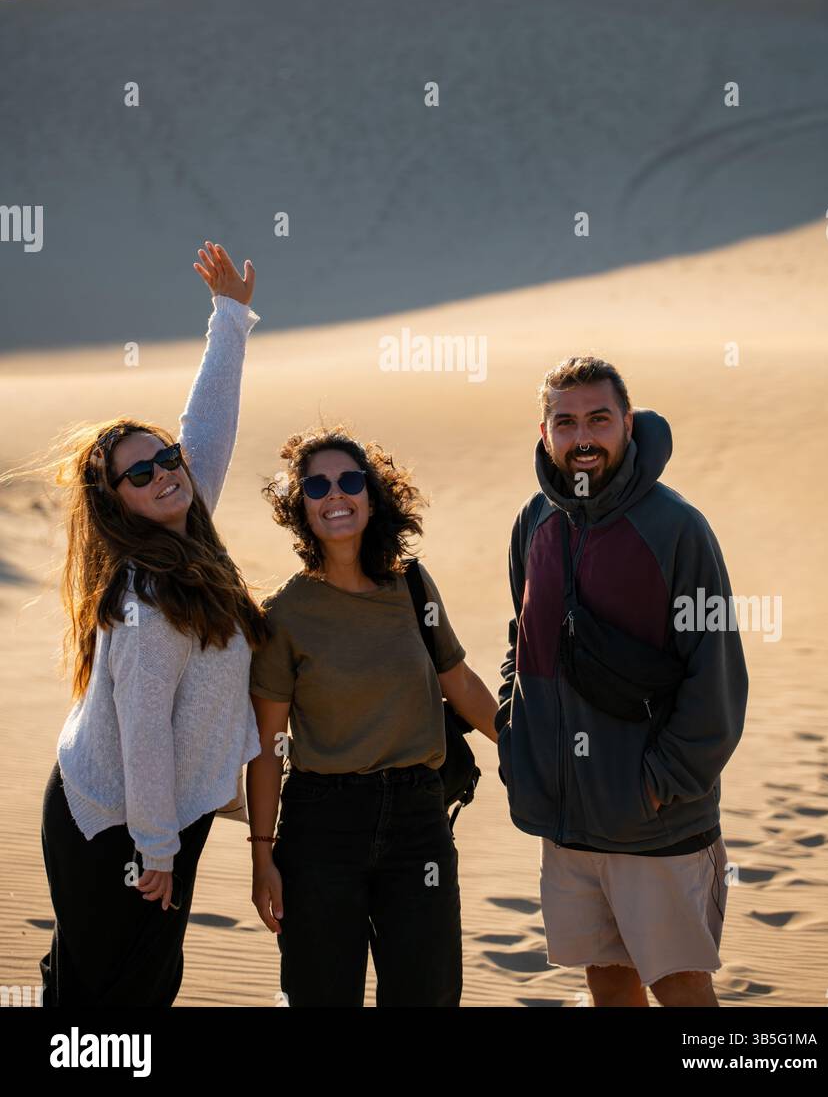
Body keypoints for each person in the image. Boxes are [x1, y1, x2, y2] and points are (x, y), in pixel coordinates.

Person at [38, 242, 266, 1006]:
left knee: (125, 984)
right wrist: (156, 848)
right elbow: (143, 728)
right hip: (118, 822)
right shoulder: (146, 601)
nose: (165, 471)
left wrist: (229, 316)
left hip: (157, 815)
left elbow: (208, 425)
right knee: (117, 998)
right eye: (140, 472)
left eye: (163, 458)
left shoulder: (185, 530)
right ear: (118, 504)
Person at [495, 355, 749, 1008]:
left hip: (655, 825)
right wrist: (516, 736)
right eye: (565, 421)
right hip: (568, 820)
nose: (582, 437)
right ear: (544, 431)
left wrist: (657, 785)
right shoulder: (535, 523)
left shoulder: (676, 528)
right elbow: (519, 639)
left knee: (680, 988)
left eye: (598, 419)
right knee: (606, 982)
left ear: (627, 424)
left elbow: (716, 675)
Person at [247, 429, 499, 1006]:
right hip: (320, 827)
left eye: (349, 480)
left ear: (373, 493)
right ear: (300, 506)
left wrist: (516, 744)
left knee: (427, 996)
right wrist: (263, 856)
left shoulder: (411, 584)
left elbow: (457, 680)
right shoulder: (285, 614)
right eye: (316, 485)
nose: (335, 494)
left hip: (418, 820)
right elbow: (268, 743)